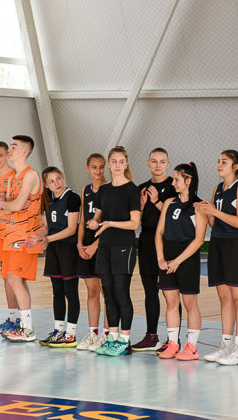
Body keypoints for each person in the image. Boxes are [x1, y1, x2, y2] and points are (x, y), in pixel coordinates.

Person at [88, 146, 141, 357]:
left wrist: (110, 223)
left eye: (121, 161)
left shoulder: (132, 190)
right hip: (105, 247)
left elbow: (134, 223)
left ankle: (125, 341)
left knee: (121, 293)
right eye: (114, 161)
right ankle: (112, 338)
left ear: (126, 164)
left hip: (123, 247)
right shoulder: (104, 190)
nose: (117, 165)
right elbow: (98, 217)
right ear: (108, 164)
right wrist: (94, 223)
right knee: (108, 294)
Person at [155, 163, 206, 360]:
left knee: (189, 303)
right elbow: (159, 233)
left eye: (177, 179)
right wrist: (161, 257)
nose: (173, 182)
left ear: (188, 180)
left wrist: (177, 261)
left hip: (187, 256)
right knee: (171, 302)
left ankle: (192, 347)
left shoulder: (198, 207)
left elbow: (199, 240)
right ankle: (173, 343)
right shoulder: (169, 203)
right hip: (168, 255)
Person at [0, 135, 42, 342]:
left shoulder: (30, 174)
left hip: (25, 236)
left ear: (24, 151)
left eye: (14, 146)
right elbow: (3, 207)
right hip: (10, 233)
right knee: (13, 279)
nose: (10, 149)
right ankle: (24, 326)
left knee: (15, 279)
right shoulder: (13, 176)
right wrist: (11, 205)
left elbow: (12, 206)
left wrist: (12, 205)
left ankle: (27, 328)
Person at [196, 150, 238, 365]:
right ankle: (225, 345)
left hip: (235, 244)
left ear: (235, 166)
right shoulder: (217, 189)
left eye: (224, 161)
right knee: (224, 298)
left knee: (237, 297)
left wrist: (216, 211)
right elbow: (214, 224)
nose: (219, 164)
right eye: (218, 161)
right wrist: (206, 211)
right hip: (218, 243)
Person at [133, 148, 175, 353]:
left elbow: (175, 219)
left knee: (169, 294)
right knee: (150, 291)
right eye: (154, 161)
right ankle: (152, 337)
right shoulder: (141, 188)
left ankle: (172, 339)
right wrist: (142, 205)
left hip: (167, 243)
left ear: (168, 164)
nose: (158, 165)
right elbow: (135, 222)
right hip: (146, 241)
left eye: (162, 161)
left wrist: (157, 201)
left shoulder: (174, 187)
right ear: (148, 163)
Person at [34, 167, 81, 348]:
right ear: (46, 185)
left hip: (68, 249)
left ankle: (71, 334)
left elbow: (71, 229)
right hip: (54, 249)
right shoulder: (47, 200)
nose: (57, 183)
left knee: (71, 292)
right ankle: (58, 331)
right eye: (52, 181)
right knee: (57, 292)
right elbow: (46, 225)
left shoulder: (72, 198)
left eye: (59, 178)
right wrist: (39, 237)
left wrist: (48, 238)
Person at [76, 153, 109, 351]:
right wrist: (80, 244)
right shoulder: (85, 190)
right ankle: (92, 333)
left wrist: (95, 245)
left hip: (103, 241)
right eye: (94, 167)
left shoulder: (110, 189)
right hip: (86, 241)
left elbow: (110, 223)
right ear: (87, 168)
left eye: (101, 167)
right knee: (92, 290)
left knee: (106, 291)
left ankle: (107, 333)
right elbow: (82, 220)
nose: (98, 171)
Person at [0, 142, 21, 335]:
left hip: (12, 232)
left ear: (7, 155)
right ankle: (11, 318)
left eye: (0, 155)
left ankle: (19, 319)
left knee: (14, 278)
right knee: (5, 277)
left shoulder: (15, 176)